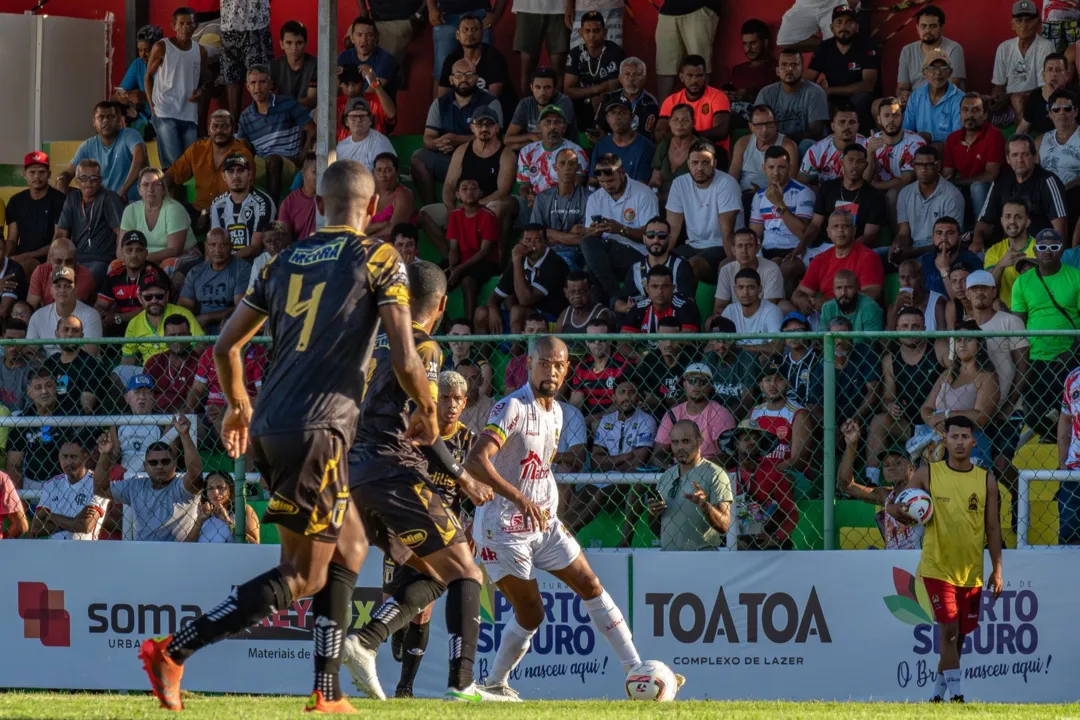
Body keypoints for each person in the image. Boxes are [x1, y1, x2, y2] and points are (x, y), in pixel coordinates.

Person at [135, 160, 437, 713]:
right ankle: (173, 651)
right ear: (373, 210)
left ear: (318, 206)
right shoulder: (379, 256)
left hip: (274, 422)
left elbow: (225, 347)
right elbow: (405, 354)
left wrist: (236, 407)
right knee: (303, 573)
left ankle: (326, 693)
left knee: (350, 544)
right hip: (319, 429)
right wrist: (430, 410)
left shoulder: (280, 261)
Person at [338, 260, 505, 704]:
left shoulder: (373, 342)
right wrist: (462, 477)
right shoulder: (425, 347)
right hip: (394, 469)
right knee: (467, 569)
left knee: (432, 569)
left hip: (355, 473)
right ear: (443, 303)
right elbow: (422, 425)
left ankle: (367, 641)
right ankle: (463, 683)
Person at [464, 337, 643, 699]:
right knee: (531, 614)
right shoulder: (511, 407)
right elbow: (475, 462)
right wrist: (518, 497)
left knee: (591, 585)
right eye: (544, 363)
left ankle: (637, 671)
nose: (552, 371)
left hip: (544, 522)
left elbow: (537, 467)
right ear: (530, 363)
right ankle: (496, 683)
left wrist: (539, 503)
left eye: (559, 365)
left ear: (566, 369)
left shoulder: (560, 412)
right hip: (504, 528)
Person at [887, 415, 1004, 704]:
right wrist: (895, 510)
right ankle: (957, 696)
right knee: (949, 630)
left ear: (974, 441)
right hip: (937, 567)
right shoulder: (928, 473)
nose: (960, 442)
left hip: (971, 570)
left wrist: (997, 570)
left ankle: (937, 696)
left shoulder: (986, 480)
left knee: (960, 636)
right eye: (955, 437)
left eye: (966, 437)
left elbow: (992, 527)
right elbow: (898, 503)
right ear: (946, 439)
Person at [1012, 228, 1080, 439]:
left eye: (1054, 247)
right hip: (1035, 359)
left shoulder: (1076, 277)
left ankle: (1066, 444)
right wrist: (1021, 359)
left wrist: (1072, 352)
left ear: (1062, 250)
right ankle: (1055, 437)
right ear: (1035, 250)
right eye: (1042, 247)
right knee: (1033, 415)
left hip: (1070, 359)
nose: (1047, 251)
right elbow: (1017, 325)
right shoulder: (1022, 282)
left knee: (1072, 411)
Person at [424, 106, 517, 256]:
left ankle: (491, 260)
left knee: (497, 207)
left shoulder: (506, 154)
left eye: (489, 124)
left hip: (487, 205)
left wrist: (474, 206)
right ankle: (449, 257)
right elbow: (449, 184)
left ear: (497, 128)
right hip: (461, 205)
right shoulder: (462, 150)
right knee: (425, 215)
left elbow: (503, 191)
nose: (484, 128)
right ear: (472, 128)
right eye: (479, 124)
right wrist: (451, 208)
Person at [866, 307, 946, 479]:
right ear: (897, 329)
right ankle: (871, 480)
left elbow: (959, 376)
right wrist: (890, 406)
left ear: (924, 329)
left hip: (940, 422)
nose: (910, 330)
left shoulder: (939, 348)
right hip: (910, 425)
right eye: (905, 326)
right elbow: (887, 397)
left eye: (915, 326)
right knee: (879, 421)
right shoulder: (890, 359)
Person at [412, 59, 504, 207]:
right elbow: (428, 139)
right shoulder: (440, 103)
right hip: (447, 159)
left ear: (476, 78)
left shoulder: (490, 102)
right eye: (459, 75)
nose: (464, 79)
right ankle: (432, 206)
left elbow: (495, 137)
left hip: (478, 160)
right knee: (419, 158)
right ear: (451, 79)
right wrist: (440, 143)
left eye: (468, 75)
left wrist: (457, 140)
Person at [94, 416, 203, 540]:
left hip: (176, 554)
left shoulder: (182, 486)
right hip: (143, 553)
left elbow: (195, 473)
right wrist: (104, 454)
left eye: (165, 461)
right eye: (153, 463)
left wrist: (185, 435)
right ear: (145, 466)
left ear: (175, 464)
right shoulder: (135, 485)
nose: (160, 466)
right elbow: (100, 489)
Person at [643, 419, 733, 550]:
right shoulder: (666, 476)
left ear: (699, 441)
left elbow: (724, 526)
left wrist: (706, 507)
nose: (679, 447)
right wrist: (653, 514)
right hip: (668, 557)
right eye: (675, 442)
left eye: (685, 441)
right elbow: (657, 531)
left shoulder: (716, 474)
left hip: (702, 558)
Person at [920, 328, 1001, 467]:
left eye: (968, 339)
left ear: (979, 344)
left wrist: (945, 416)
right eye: (958, 340)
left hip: (968, 441)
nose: (962, 344)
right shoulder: (947, 374)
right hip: (936, 440)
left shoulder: (987, 377)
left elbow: (980, 417)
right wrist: (933, 421)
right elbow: (926, 407)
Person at [973, 134, 1067, 253]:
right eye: (1014, 155)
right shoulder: (1001, 180)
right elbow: (984, 221)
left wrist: (1051, 257)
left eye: (1025, 154)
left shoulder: (1048, 181)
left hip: (1039, 251)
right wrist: (977, 240)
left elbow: (1060, 229)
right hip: (1007, 250)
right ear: (1008, 159)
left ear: (1034, 156)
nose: (1020, 160)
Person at [581, 153, 658, 297]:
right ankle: (612, 300)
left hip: (636, 253)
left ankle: (612, 297)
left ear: (622, 173)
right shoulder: (595, 198)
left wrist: (620, 229)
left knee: (589, 269)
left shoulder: (643, 194)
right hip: (606, 252)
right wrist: (593, 231)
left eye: (610, 181)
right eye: (602, 182)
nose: (606, 186)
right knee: (587, 243)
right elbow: (587, 233)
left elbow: (651, 236)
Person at [838, 421, 923, 549]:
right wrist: (851, 444)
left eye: (897, 463)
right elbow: (846, 485)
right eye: (886, 465)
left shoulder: (924, 493)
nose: (891, 468)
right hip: (892, 563)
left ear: (912, 468)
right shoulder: (886, 495)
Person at [237, 65, 315, 203]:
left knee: (273, 160)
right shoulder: (245, 116)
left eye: (262, 82)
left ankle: (271, 209)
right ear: (247, 86)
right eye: (253, 83)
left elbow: (312, 130)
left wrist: (302, 158)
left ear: (270, 84)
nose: (257, 87)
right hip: (262, 162)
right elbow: (242, 148)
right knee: (235, 164)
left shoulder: (287, 103)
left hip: (289, 162)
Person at [665, 141, 743, 281]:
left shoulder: (727, 183)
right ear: (688, 163)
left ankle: (687, 303)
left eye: (705, 163)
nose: (699, 168)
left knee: (691, 266)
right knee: (667, 265)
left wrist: (733, 263)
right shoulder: (679, 184)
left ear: (715, 163)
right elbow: (673, 228)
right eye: (695, 163)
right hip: (693, 244)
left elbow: (727, 231)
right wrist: (661, 259)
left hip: (719, 245)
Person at [715, 423, 797, 550]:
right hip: (736, 539)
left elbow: (792, 513)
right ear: (736, 444)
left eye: (756, 439)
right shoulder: (726, 477)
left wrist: (776, 538)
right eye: (747, 439)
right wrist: (732, 539)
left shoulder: (773, 474)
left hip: (768, 541)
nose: (752, 442)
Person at [145, 7, 209, 169]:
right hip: (165, 112)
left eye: (190, 23)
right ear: (173, 25)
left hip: (189, 114)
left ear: (195, 26)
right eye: (182, 23)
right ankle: (171, 195)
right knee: (173, 166)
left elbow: (203, 80)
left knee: (190, 165)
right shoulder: (162, 47)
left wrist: (200, 91)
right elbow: (148, 77)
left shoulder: (200, 51)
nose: (186, 28)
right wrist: (153, 108)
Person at [476, 225, 570, 333]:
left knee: (517, 311)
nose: (532, 246)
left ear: (546, 243)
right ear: (521, 242)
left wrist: (516, 260)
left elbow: (525, 300)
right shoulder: (520, 259)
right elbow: (494, 298)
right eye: (528, 240)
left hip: (550, 320)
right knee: (481, 313)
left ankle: (517, 350)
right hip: (522, 318)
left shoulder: (554, 264)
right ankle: (482, 350)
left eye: (537, 241)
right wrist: (493, 309)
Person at [165, 109, 254, 221]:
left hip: (231, 211)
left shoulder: (242, 154)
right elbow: (172, 175)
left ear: (233, 129)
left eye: (225, 127)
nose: (219, 131)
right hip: (199, 209)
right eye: (215, 127)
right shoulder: (196, 149)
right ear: (208, 129)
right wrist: (159, 198)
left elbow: (242, 194)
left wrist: (207, 212)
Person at [798, 144, 886, 254]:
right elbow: (815, 225)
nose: (854, 165)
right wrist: (801, 246)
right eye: (850, 160)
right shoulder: (828, 188)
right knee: (792, 265)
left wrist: (843, 250)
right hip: (824, 247)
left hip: (854, 249)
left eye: (859, 161)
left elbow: (869, 235)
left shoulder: (875, 195)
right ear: (841, 162)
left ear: (865, 165)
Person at [805, 5, 880, 133]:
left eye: (848, 22)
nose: (843, 27)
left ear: (856, 27)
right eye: (839, 22)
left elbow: (868, 85)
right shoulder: (824, 47)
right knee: (818, 99)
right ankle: (822, 142)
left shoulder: (867, 45)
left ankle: (863, 139)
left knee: (861, 98)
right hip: (832, 99)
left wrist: (829, 90)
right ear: (832, 28)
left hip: (859, 98)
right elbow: (807, 79)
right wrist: (817, 92)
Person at [749, 145, 815, 289]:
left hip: (794, 251)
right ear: (764, 168)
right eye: (771, 167)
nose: (776, 172)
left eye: (781, 167)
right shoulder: (759, 196)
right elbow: (755, 234)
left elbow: (803, 233)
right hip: (767, 251)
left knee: (783, 267)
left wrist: (779, 203)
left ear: (790, 168)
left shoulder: (803, 192)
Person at [793, 209, 883, 314]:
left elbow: (871, 294)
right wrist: (802, 300)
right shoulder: (820, 259)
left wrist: (829, 303)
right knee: (785, 308)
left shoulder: (868, 257)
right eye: (835, 226)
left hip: (856, 314)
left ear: (854, 230)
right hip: (824, 314)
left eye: (845, 226)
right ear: (828, 232)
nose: (840, 230)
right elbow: (799, 292)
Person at [55, 102, 147, 203]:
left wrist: (124, 190)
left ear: (119, 121)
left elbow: (140, 158)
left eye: (111, 116)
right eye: (101, 117)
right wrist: (61, 180)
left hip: (131, 203)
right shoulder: (88, 145)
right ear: (94, 122)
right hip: (103, 205)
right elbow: (69, 172)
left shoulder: (129, 135)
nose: (106, 120)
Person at [53, 159, 124, 289]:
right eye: (84, 178)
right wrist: (50, 262)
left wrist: (120, 260)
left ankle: (75, 306)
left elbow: (121, 232)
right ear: (76, 181)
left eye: (94, 178)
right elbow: (60, 233)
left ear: (100, 180)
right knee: (54, 280)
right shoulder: (72, 198)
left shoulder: (109, 198)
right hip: (74, 260)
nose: (88, 183)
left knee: (83, 283)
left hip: (100, 260)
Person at [892, 145, 966, 260]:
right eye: (919, 165)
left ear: (938, 166)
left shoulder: (952, 195)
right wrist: (897, 246)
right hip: (913, 247)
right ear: (913, 165)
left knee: (910, 267)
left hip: (939, 251)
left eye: (929, 165)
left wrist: (914, 252)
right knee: (876, 257)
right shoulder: (905, 193)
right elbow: (904, 232)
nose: (923, 169)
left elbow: (951, 241)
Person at [653, 363, 737, 465]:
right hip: (677, 469)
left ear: (710, 386)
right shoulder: (673, 414)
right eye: (691, 380)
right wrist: (672, 470)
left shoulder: (721, 413)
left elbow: (727, 457)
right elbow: (658, 453)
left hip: (709, 473)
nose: (697, 385)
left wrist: (694, 470)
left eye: (703, 381)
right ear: (684, 384)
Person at [6, 369, 73, 492]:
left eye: (49, 385)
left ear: (56, 388)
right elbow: (14, 464)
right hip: (32, 483)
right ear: (30, 392)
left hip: (65, 483)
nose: (44, 391)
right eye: (38, 387)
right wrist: (20, 500)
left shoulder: (70, 416)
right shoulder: (21, 421)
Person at [990, 0, 1054, 128]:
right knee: (977, 102)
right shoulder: (1004, 48)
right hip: (1009, 103)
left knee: (1018, 99)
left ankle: (1021, 138)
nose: (1024, 25)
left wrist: (1011, 97)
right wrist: (997, 97)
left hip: (1036, 102)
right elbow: (999, 85)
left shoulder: (1045, 47)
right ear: (1013, 25)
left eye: (1029, 20)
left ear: (1038, 23)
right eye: (1019, 20)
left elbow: (1045, 88)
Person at [30, 439, 108, 541]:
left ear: (85, 456)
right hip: (55, 552)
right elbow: (36, 529)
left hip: (85, 552)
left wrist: (51, 517)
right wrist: (74, 522)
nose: (68, 462)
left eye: (73, 457)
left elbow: (85, 526)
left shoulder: (98, 484)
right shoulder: (51, 484)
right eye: (65, 456)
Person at [942, 94, 1005, 220]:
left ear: (985, 115)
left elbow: (990, 175)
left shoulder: (994, 135)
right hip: (965, 190)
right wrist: (949, 184)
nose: (969, 115)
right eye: (965, 110)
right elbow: (947, 175)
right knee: (945, 189)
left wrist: (958, 182)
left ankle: (981, 233)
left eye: (975, 110)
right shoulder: (953, 139)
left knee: (977, 187)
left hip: (993, 193)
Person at [447, 177, 501, 321]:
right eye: (464, 189)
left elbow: (484, 251)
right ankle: (442, 326)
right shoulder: (454, 215)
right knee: (436, 278)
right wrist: (452, 267)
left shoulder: (488, 216)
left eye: (473, 188)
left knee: (468, 281)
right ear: (457, 194)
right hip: (462, 260)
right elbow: (453, 248)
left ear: (481, 193)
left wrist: (459, 270)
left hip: (484, 262)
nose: (469, 191)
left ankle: (468, 324)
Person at [177, 228, 251, 333]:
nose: (218, 250)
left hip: (230, 326)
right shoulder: (196, 272)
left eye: (223, 245)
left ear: (231, 246)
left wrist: (207, 318)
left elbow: (242, 307)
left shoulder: (242, 269)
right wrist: (192, 323)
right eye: (213, 245)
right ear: (206, 246)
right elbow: (184, 305)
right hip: (200, 328)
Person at [5, 151, 67, 275]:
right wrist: (4, 258)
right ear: (24, 174)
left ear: (49, 174)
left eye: (41, 172)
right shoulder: (15, 201)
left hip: (51, 257)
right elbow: (12, 239)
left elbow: (59, 241)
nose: (37, 177)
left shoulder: (60, 200)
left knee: (22, 268)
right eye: (32, 172)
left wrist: (26, 256)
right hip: (20, 257)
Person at [865, 97, 923, 227]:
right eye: (886, 116)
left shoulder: (915, 143)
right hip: (877, 188)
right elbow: (864, 179)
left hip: (908, 191)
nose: (891, 120)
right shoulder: (870, 143)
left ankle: (896, 239)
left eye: (895, 115)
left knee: (892, 194)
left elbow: (905, 180)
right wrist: (870, 154)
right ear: (879, 119)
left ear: (901, 117)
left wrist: (873, 186)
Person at [531, 149, 592, 272]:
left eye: (571, 163)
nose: (567, 168)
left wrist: (548, 233)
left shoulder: (589, 198)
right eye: (562, 163)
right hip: (545, 253)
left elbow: (581, 239)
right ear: (555, 167)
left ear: (578, 167)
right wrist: (569, 234)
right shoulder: (543, 198)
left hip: (576, 255)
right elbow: (535, 234)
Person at [121, 276, 204, 366]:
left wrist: (183, 364)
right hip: (148, 374)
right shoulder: (134, 323)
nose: (154, 301)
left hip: (179, 369)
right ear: (140, 298)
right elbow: (128, 358)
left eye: (159, 296)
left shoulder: (182, 313)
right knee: (117, 373)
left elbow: (201, 343)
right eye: (148, 297)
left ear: (167, 295)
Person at [755, 50, 830, 149]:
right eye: (784, 65)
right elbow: (758, 126)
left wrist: (785, 142)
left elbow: (815, 132)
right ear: (777, 70)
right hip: (773, 146)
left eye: (794, 65)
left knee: (806, 144)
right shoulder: (766, 93)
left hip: (802, 147)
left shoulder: (816, 92)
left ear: (803, 69)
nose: (789, 69)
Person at [121, 168, 197, 264]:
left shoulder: (174, 209)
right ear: (139, 190)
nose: (150, 189)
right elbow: (121, 249)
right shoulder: (130, 210)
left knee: (167, 266)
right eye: (145, 185)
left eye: (156, 184)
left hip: (181, 256)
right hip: (141, 259)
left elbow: (174, 250)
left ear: (163, 189)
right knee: (115, 266)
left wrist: (142, 259)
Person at [616, 216, 695, 309]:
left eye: (662, 235)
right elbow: (619, 300)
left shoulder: (681, 266)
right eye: (650, 235)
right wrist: (628, 308)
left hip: (672, 320)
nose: (656, 240)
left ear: (669, 238)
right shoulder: (636, 267)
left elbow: (688, 304)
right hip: (643, 320)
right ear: (644, 238)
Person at [656, 55, 731, 152]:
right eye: (690, 76)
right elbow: (659, 132)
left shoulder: (718, 96)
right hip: (680, 152)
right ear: (681, 77)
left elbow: (722, 131)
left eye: (699, 76)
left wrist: (690, 137)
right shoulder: (671, 101)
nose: (694, 80)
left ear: (705, 76)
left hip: (712, 152)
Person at [209, 154, 276, 261]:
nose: (235, 176)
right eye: (230, 172)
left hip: (253, 262)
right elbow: (213, 241)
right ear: (224, 177)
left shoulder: (263, 202)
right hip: (224, 261)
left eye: (240, 171)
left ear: (249, 174)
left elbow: (255, 247)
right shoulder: (217, 204)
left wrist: (226, 261)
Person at [749, 361, 813, 475]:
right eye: (768, 379)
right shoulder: (755, 412)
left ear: (788, 383)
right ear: (761, 385)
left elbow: (798, 460)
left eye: (779, 379)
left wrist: (767, 474)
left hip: (789, 475)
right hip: (758, 473)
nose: (773, 384)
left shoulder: (799, 413)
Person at [564, 11, 624, 130]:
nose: (592, 35)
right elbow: (568, 90)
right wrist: (596, 90)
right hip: (582, 102)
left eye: (597, 31)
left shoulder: (614, 51)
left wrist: (596, 95)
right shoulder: (575, 53)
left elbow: (614, 87)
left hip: (609, 100)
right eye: (587, 31)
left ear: (605, 32)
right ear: (580, 32)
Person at [42, 315, 112, 415]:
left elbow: (86, 408)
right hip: (48, 419)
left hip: (78, 424)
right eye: (65, 330)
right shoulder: (51, 362)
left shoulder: (91, 365)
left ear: (81, 336)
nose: (70, 334)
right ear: (56, 334)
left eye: (75, 331)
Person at [729, 105, 800, 202]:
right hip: (742, 196)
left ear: (775, 124)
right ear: (751, 127)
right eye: (759, 125)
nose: (764, 130)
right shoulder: (743, 143)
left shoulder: (788, 146)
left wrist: (762, 193)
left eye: (769, 124)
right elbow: (732, 176)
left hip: (775, 197)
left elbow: (791, 179)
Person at [895, 5, 966, 103]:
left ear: (941, 27)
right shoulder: (907, 50)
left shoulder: (953, 48)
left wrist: (920, 99)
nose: (927, 30)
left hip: (945, 101)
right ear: (917, 28)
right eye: (923, 26)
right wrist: (903, 95)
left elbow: (953, 86)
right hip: (914, 102)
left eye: (932, 26)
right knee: (877, 106)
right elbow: (902, 87)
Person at [516, 105, 589, 199]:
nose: (552, 126)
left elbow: (576, 185)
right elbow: (524, 187)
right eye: (547, 122)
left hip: (564, 202)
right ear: (539, 127)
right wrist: (529, 197)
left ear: (564, 128)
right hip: (534, 203)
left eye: (557, 122)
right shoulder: (527, 152)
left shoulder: (576, 152)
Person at [27, 267, 104, 357]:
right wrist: (47, 365)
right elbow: (29, 350)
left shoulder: (91, 315)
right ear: (51, 289)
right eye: (58, 286)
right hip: (49, 368)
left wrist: (58, 364)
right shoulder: (38, 316)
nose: (62, 290)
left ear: (75, 289)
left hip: (81, 368)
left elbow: (90, 353)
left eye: (68, 286)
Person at [437, 16, 512, 105]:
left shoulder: (494, 57)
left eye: (474, 29)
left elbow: (492, 98)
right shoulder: (451, 59)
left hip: (491, 112)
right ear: (457, 35)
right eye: (465, 30)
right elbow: (442, 97)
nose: (470, 33)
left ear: (482, 33)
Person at [218, 0, 273, 121]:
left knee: (259, 75)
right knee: (232, 79)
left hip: (256, 22)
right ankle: (234, 131)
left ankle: (263, 123)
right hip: (229, 23)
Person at [653, 0, 719, 100]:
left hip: (699, 7)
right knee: (665, 69)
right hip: (668, 10)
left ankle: (704, 112)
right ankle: (663, 114)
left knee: (700, 67)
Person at [505, 67, 578, 151]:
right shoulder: (525, 104)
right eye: (538, 87)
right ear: (531, 87)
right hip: (535, 149)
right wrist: (531, 136)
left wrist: (527, 141)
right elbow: (508, 139)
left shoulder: (564, 102)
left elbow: (553, 137)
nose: (542, 92)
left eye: (547, 87)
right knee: (508, 150)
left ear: (554, 89)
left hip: (562, 151)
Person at [903, 49, 964, 146]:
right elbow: (906, 130)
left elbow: (958, 135)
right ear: (924, 73)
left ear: (950, 72)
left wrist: (931, 137)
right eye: (932, 67)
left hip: (948, 148)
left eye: (943, 68)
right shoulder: (916, 96)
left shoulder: (959, 98)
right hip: (919, 148)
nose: (938, 72)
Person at [983, 200, 1037, 309]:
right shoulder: (994, 251)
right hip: (1007, 311)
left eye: (1018, 217)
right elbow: (987, 290)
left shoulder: (1039, 248)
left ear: (1028, 221)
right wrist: (1001, 265)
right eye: (1007, 216)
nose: (1012, 221)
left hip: (1034, 308)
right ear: (1002, 221)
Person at [703, 315, 760, 416]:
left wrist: (725, 418)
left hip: (743, 416)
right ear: (711, 341)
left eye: (726, 339)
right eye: (716, 340)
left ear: (734, 339)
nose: (721, 345)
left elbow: (747, 400)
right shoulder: (708, 358)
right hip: (713, 415)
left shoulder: (747, 358)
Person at [144, 315, 202, 412]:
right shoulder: (155, 361)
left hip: (185, 416)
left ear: (190, 336)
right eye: (172, 336)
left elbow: (196, 396)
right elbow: (144, 392)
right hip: (154, 415)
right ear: (165, 338)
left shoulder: (199, 362)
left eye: (181, 335)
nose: (176, 340)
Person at [511, 0, 570, 95]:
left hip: (558, 7)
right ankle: (529, 107)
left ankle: (558, 107)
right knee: (527, 65)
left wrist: (570, 8)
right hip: (527, 7)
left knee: (559, 64)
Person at [593, 58, 660, 141]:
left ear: (644, 79)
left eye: (636, 75)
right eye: (627, 74)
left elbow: (645, 136)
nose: (631, 78)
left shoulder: (650, 104)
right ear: (620, 78)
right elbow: (600, 128)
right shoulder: (609, 98)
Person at [797, 106, 866, 187]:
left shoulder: (867, 146)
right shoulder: (816, 151)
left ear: (858, 126)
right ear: (833, 126)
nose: (847, 126)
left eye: (852, 122)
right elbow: (801, 183)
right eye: (842, 122)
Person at [185, 470, 260, 544]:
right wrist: (200, 520)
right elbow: (185, 547)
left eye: (220, 487)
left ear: (230, 489)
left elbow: (255, 544)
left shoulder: (243, 509)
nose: (215, 492)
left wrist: (228, 521)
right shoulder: (201, 512)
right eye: (210, 488)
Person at [721, 268, 784, 355]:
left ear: (759, 289)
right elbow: (717, 343)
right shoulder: (730, 310)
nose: (745, 292)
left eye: (751, 287)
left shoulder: (772, 310)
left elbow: (777, 347)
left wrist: (737, 348)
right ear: (735, 289)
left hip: (759, 364)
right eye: (740, 287)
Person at [621, 265, 700, 335]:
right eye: (655, 286)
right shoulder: (638, 309)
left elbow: (689, 340)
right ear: (647, 289)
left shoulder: (686, 307)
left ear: (673, 288)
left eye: (665, 286)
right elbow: (622, 343)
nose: (660, 291)